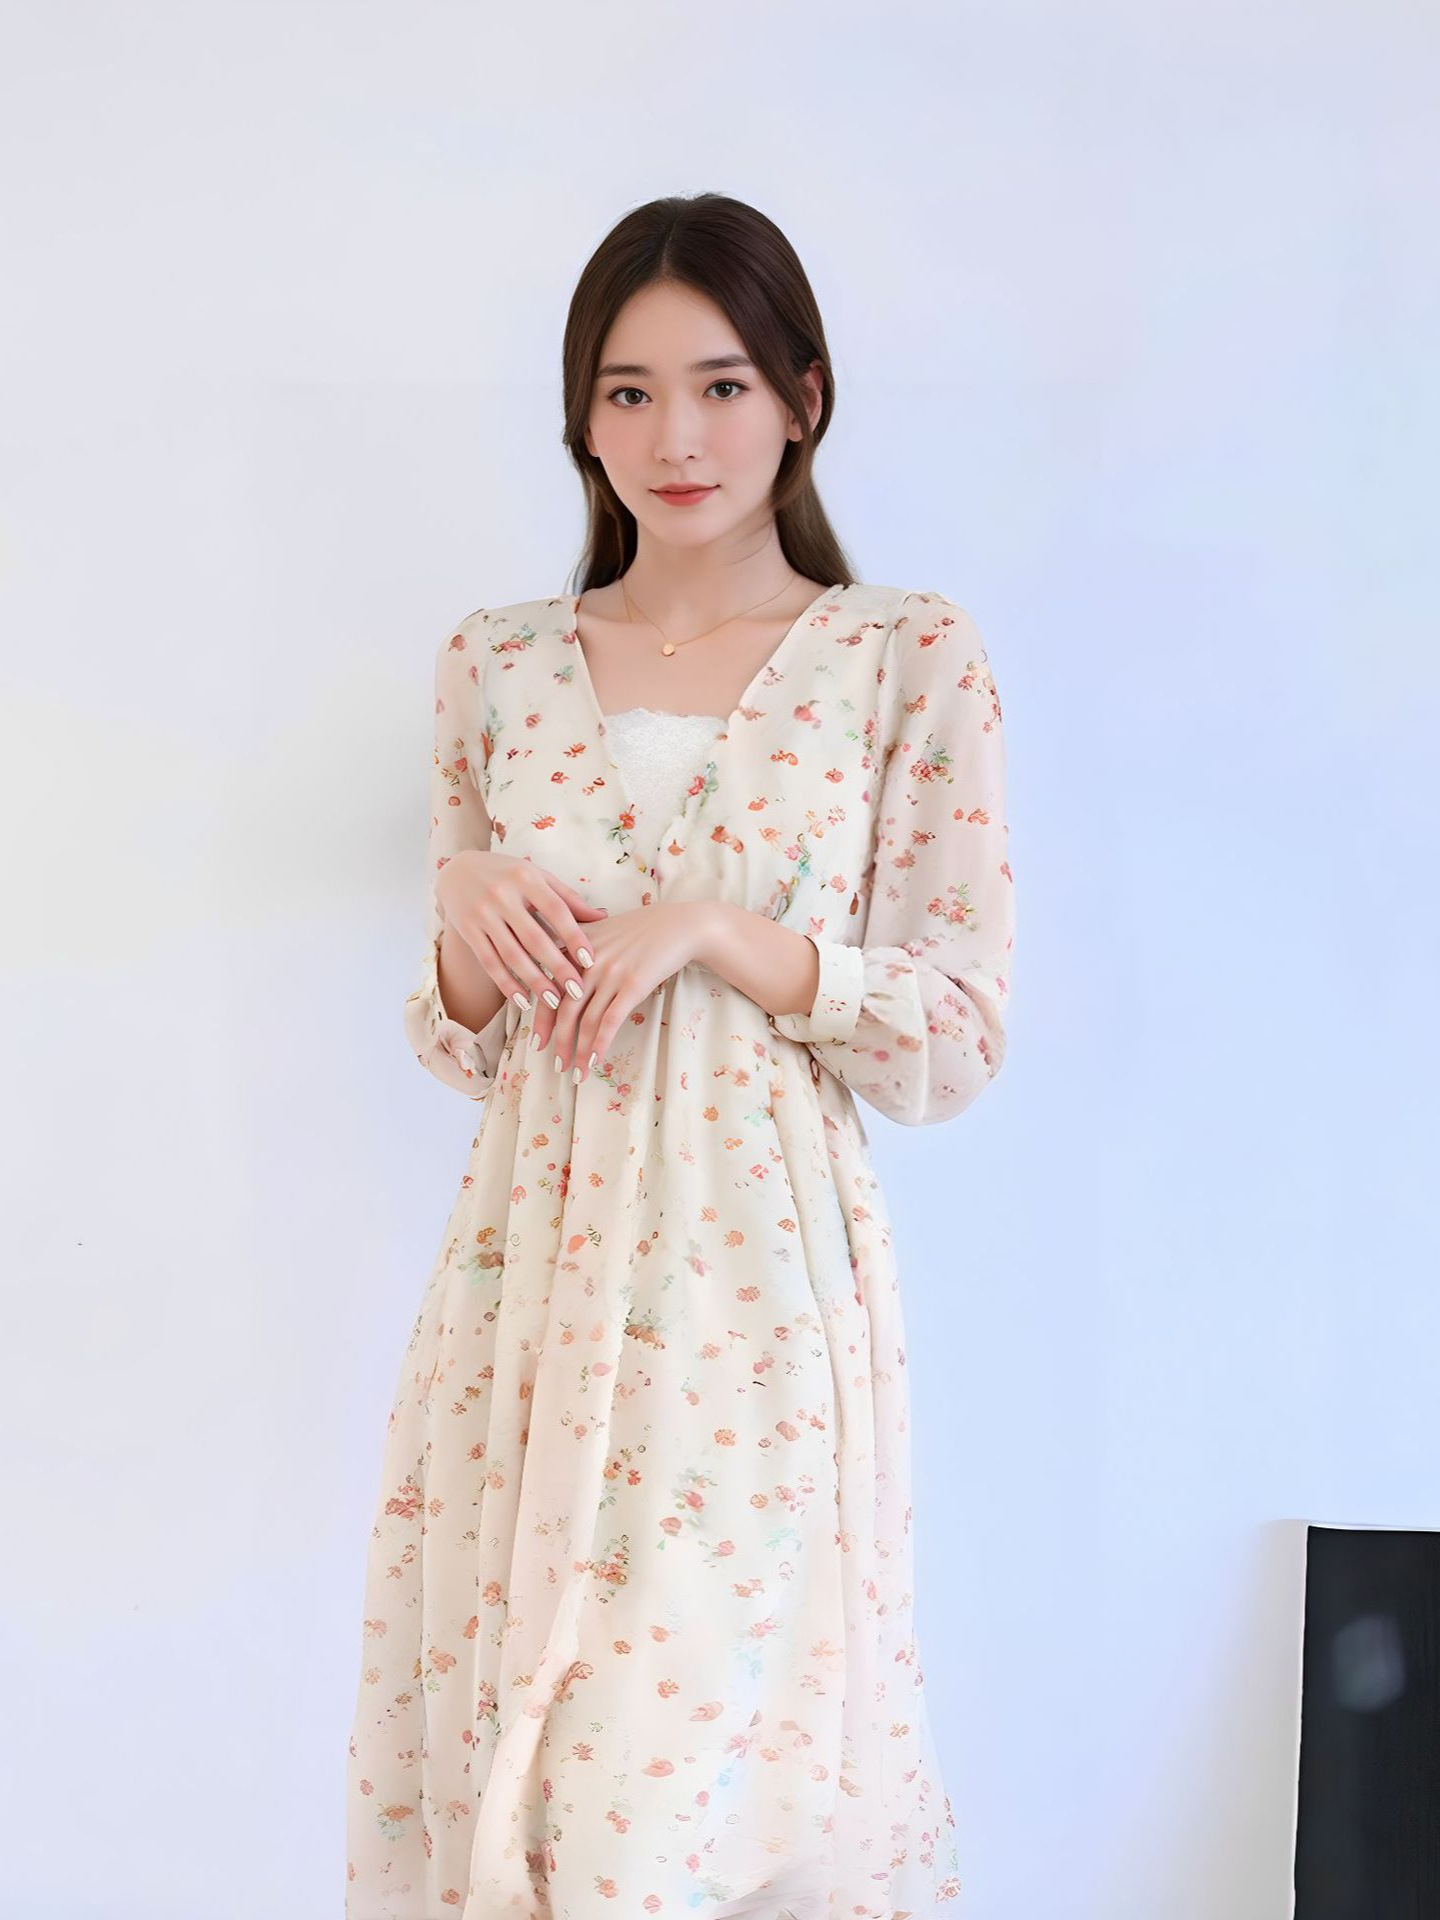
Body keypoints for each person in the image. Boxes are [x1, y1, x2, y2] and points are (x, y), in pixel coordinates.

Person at [345, 191, 1014, 1920]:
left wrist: (724, 932)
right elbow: (466, 1041)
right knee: (529, 1740)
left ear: (802, 397)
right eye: (628, 393)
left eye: (721, 385)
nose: (676, 438)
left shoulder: (902, 656)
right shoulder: (498, 666)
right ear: (582, 420)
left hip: (756, 1290)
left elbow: (954, 1035)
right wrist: (464, 912)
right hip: (528, 1278)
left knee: (707, 1757)